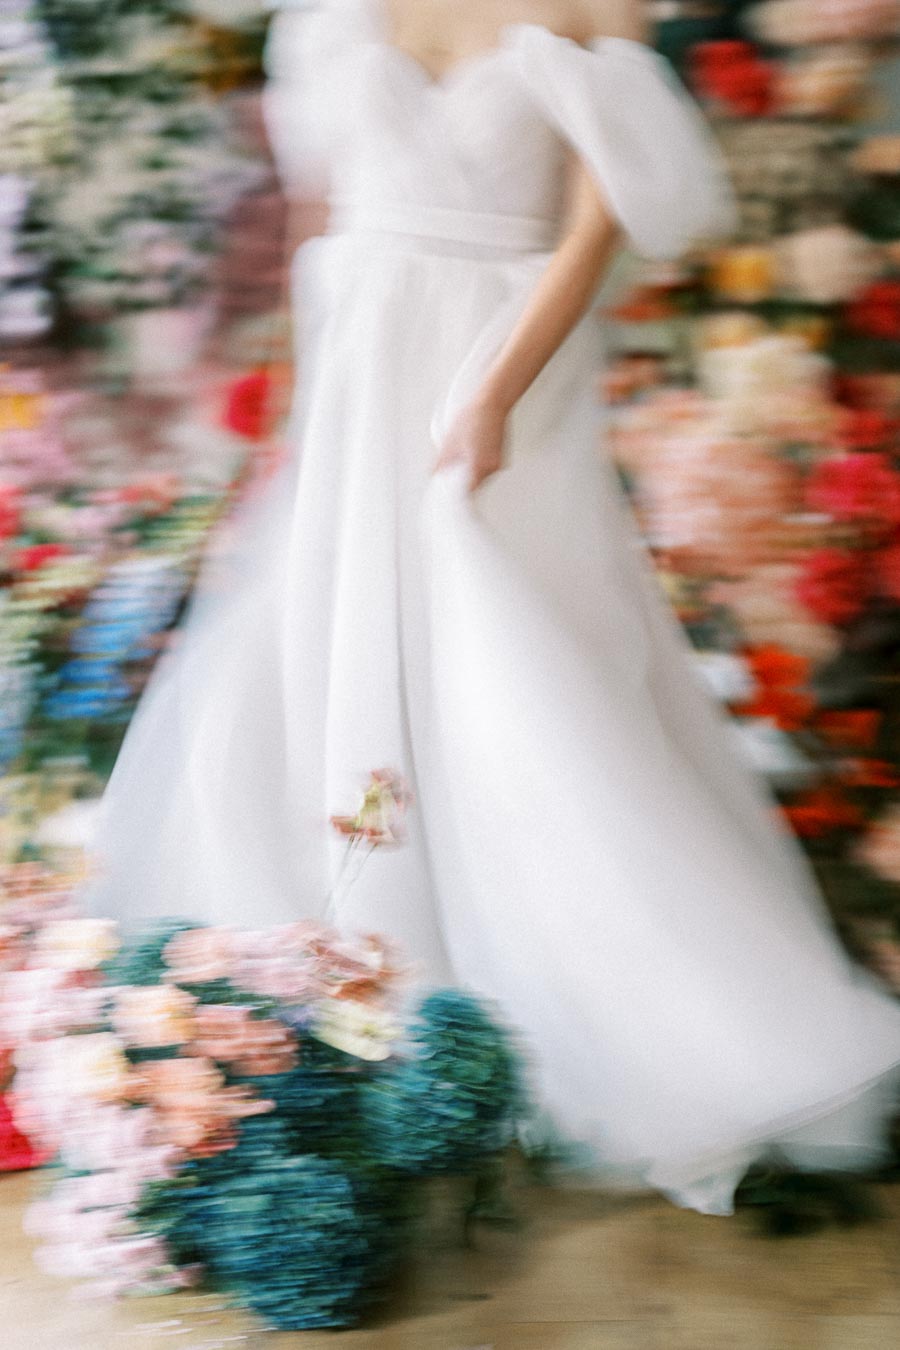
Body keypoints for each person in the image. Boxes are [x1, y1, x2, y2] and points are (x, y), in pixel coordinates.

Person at [80, 0, 900, 1216]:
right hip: (358, 358)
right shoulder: (336, 10)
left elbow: (600, 220)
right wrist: (297, 423)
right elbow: (324, 210)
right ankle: (351, 963)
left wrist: (496, 394)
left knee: (503, 669)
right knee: (320, 646)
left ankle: (596, 999)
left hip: (492, 356)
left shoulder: (588, 1)